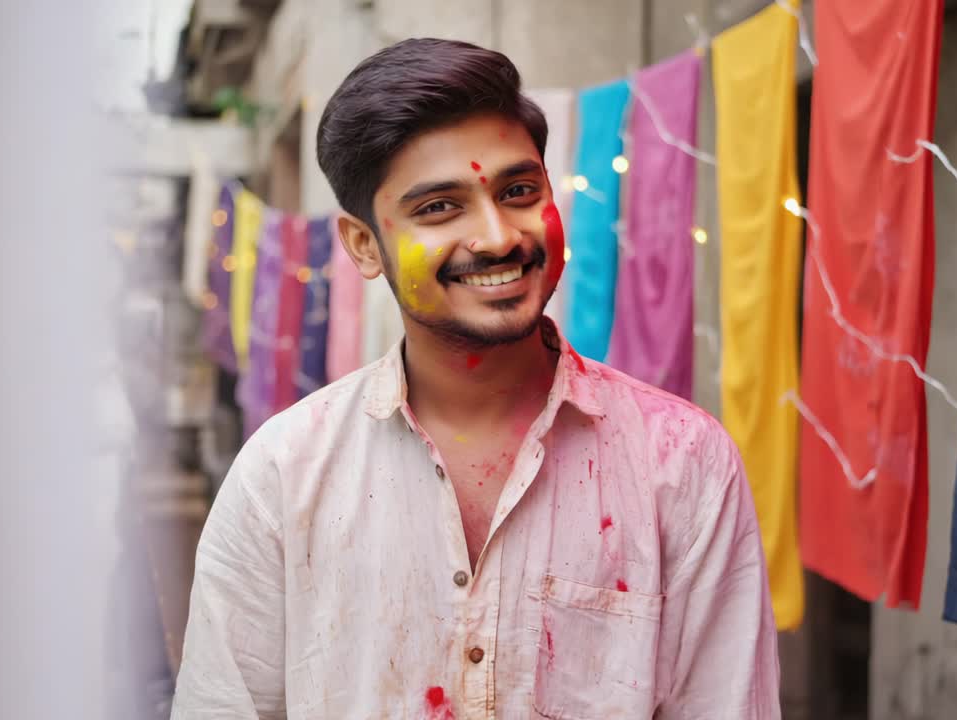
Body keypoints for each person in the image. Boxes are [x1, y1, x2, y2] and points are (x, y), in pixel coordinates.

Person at [171, 37, 780, 719]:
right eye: (439, 207)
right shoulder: (283, 476)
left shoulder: (683, 464)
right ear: (364, 245)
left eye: (519, 192)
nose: (496, 236)